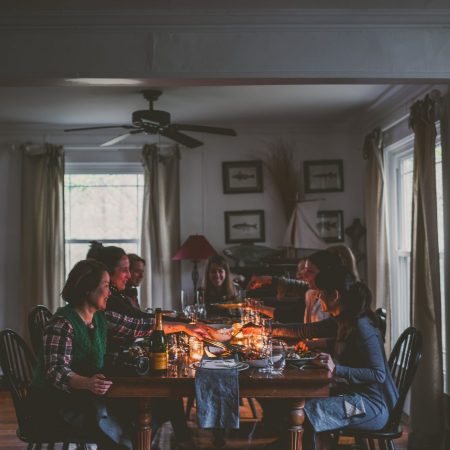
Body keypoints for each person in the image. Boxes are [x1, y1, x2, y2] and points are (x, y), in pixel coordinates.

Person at [28, 259, 204, 450]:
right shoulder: (62, 323)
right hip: (56, 404)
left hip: (86, 394)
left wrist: (187, 328)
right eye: (105, 286)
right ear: (88, 289)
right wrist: (87, 382)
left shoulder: (99, 317)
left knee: (159, 403)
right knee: (134, 410)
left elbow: (139, 326)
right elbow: (55, 371)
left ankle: (135, 443)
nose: (110, 293)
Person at [244, 265, 398, 450]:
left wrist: (336, 368)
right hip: (355, 397)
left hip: (370, 408)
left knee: (308, 412)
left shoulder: (362, 328)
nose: (317, 296)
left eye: (321, 292)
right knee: (305, 405)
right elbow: (305, 330)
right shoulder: (343, 319)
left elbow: (378, 374)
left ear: (335, 295)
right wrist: (267, 329)